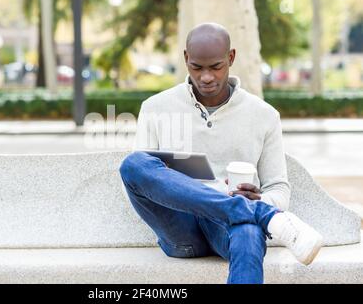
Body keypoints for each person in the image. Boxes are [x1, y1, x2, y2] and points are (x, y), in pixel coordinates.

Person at [119, 23, 323, 284]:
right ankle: (262, 215)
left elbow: (279, 187)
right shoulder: (155, 108)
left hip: (231, 230)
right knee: (134, 164)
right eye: (197, 67)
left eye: (215, 67)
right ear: (185, 59)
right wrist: (252, 207)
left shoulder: (264, 115)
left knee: (249, 232)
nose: (206, 77)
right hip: (180, 230)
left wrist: (262, 199)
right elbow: (142, 181)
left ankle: (253, 211)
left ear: (231, 58)